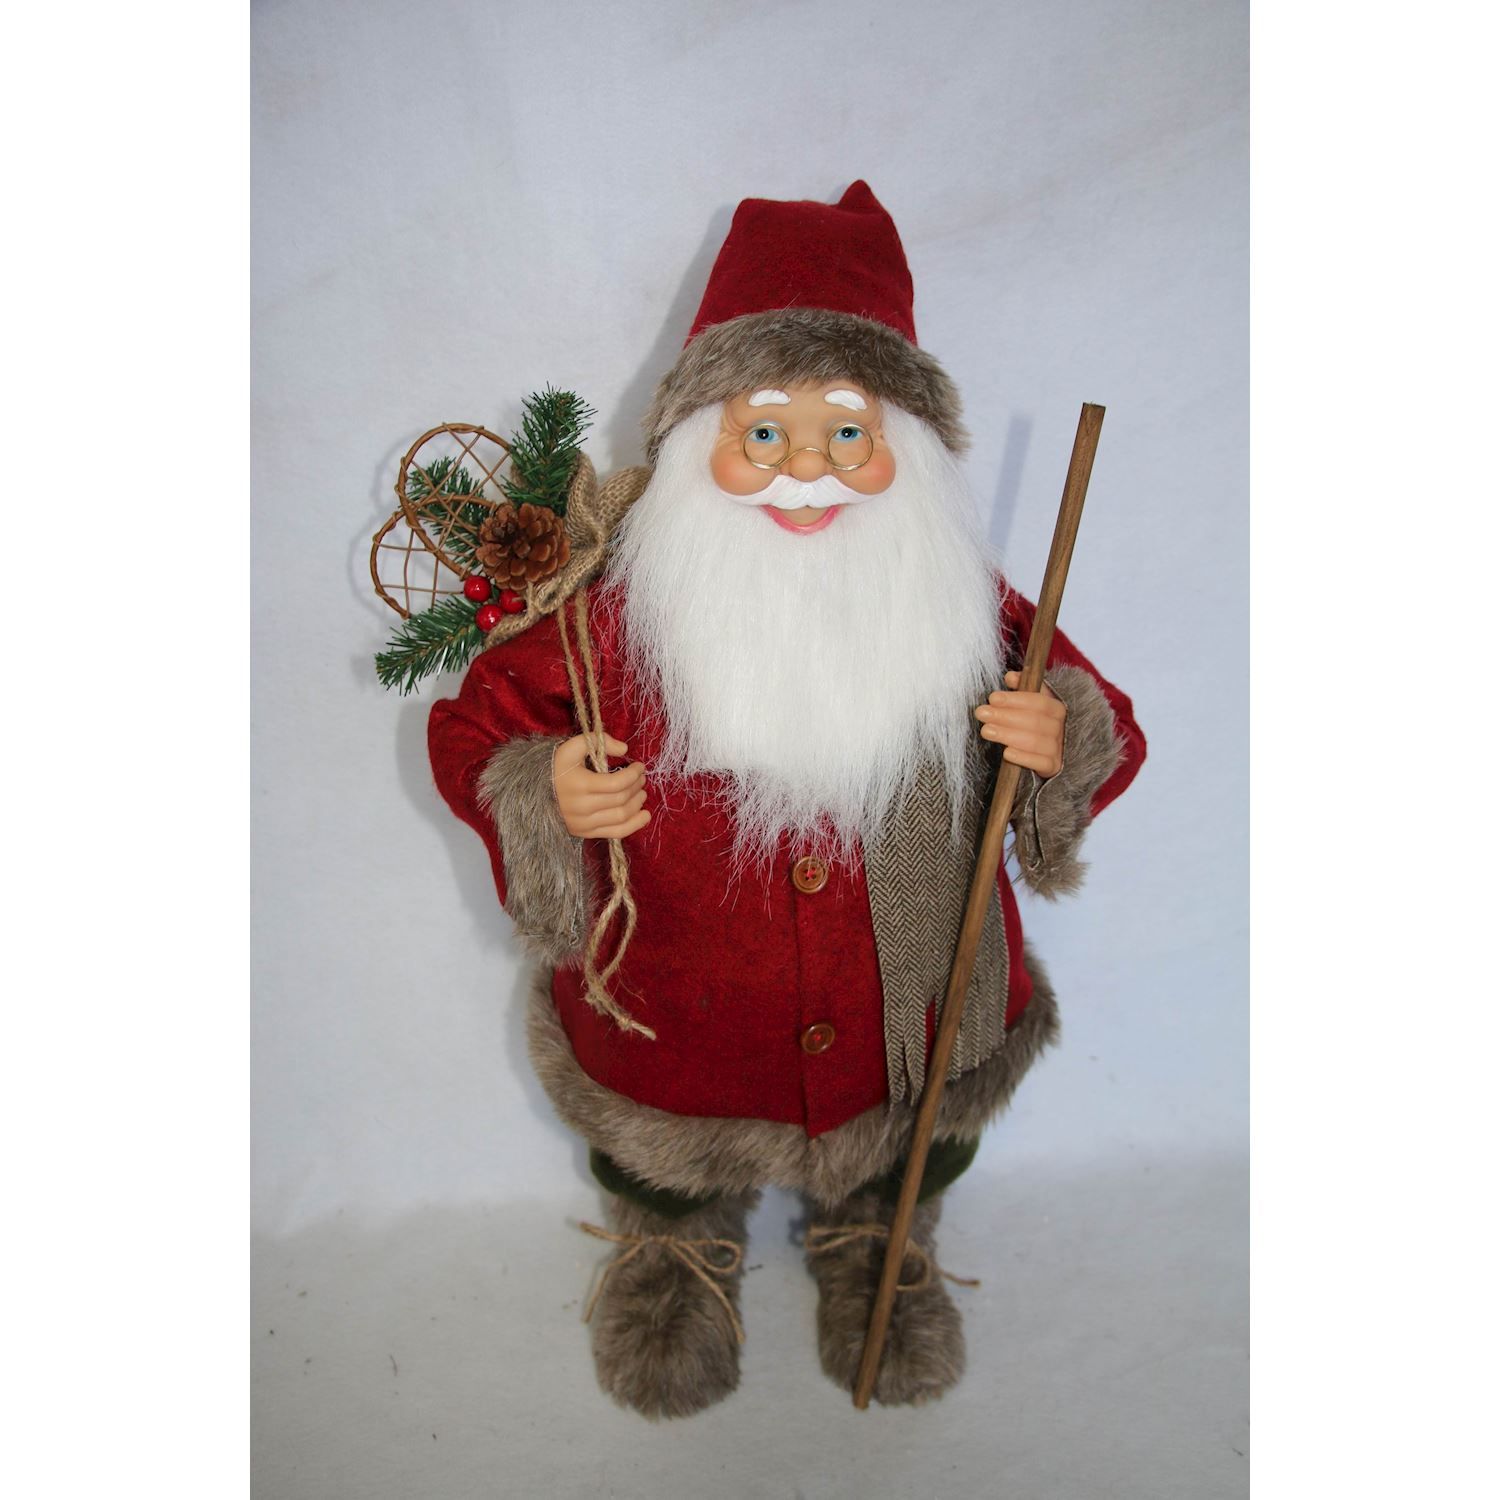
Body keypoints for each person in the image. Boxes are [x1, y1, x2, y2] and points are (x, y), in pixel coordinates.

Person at [429, 182, 1145, 1418]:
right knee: (660, 1153)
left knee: (916, 1139)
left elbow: (1100, 721)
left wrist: (1056, 738)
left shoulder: (965, 612)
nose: (804, 469)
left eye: (847, 433)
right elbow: (476, 724)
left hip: (907, 1010)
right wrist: (542, 787)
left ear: (906, 450)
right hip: (676, 1009)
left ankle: (878, 1238)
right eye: (763, 432)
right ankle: (674, 1253)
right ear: (696, 441)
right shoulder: (610, 621)